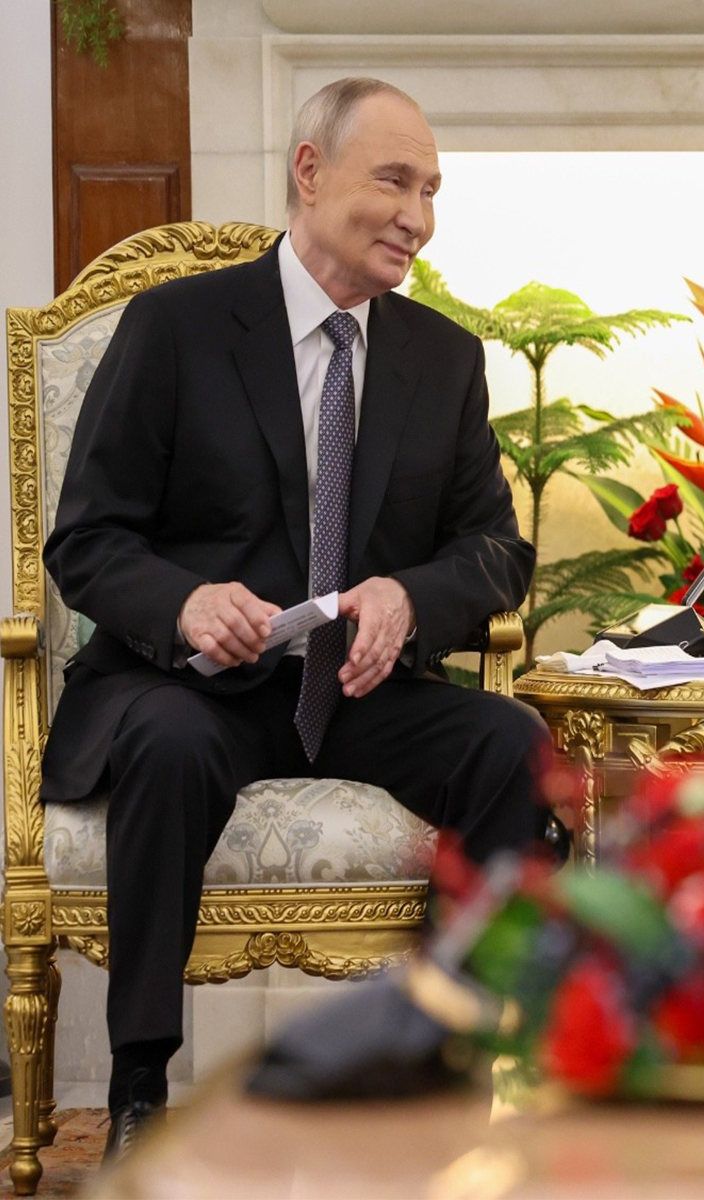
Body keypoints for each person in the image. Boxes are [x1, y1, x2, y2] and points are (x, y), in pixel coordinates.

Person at [41, 77, 568, 1161]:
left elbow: (496, 553)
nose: (418, 217)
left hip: (359, 690)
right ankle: (142, 1082)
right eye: (394, 181)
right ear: (310, 172)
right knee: (172, 742)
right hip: (192, 687)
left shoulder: (441, 358)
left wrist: (408, 595)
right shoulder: (176, 328)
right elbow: (86, 541)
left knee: (513, 746)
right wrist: (183, 602)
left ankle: (446, 1054)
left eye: (430, 190)